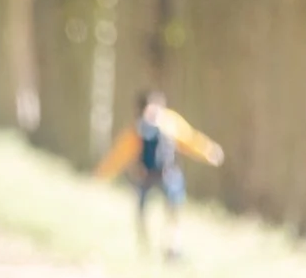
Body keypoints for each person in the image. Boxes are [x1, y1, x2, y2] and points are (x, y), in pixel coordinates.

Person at [93, 89, 224, 259]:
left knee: (171, 212)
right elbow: (120, 155)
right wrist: (102, 174)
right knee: (148, 214)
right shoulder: (144, 128)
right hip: (151, 176)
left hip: (164, 175)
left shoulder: (166, 124)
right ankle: (149, 249)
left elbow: (189, 140)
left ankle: (170, 249)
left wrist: (209, 151)